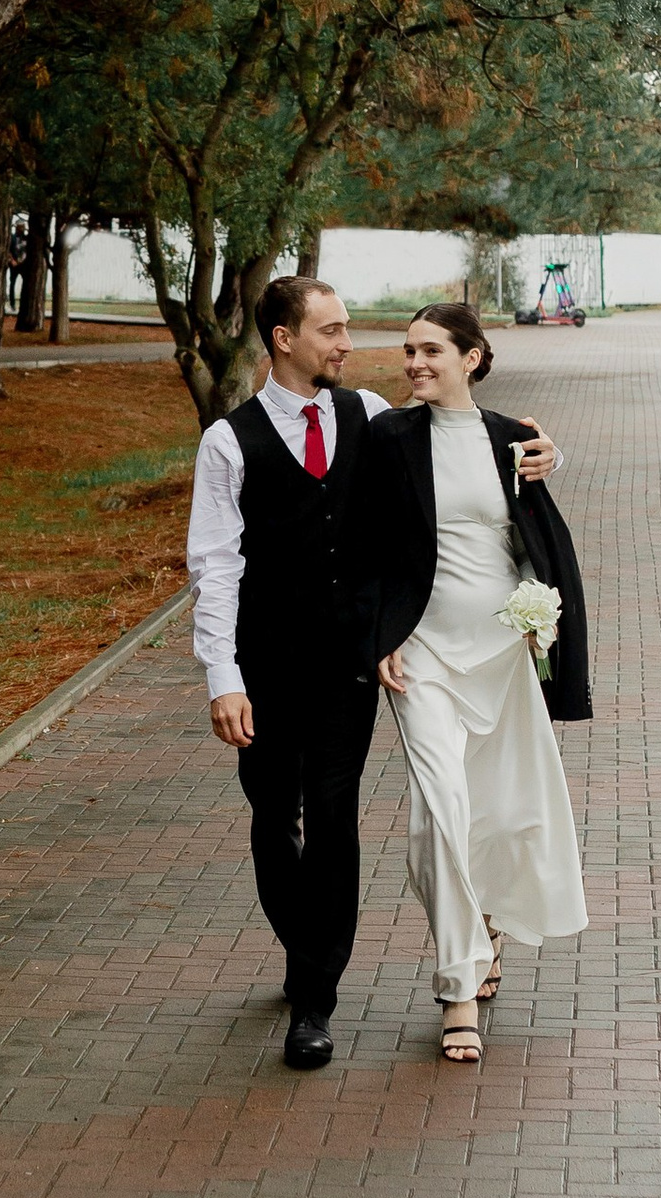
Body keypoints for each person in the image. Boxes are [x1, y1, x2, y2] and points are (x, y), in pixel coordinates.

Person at [186, 275, 559, 1069]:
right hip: (265, 661)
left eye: (348, 328)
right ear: (284, 339)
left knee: (332, 819)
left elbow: (461, 445)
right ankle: (306, 940)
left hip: (351, 663)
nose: (349, 344)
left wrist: (540, 450)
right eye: (332, 330)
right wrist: (223, 674)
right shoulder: (229, 441)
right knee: (270, 819)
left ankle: (315, 996)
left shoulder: (373, 420)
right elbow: (214, 566)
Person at [351, 298, 588, 1065]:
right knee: (436, 815)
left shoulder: (513, 440)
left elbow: (531, 539)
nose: (415, 363)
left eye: (431, 351)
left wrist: (536, 611)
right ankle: (459, 987)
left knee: (505, 811)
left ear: (472, 357)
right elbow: (362, 548)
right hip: (422, 655)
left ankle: (482, 918)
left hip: (501, 653)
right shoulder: (387, 435)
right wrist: (377, 634)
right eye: (408, 351)